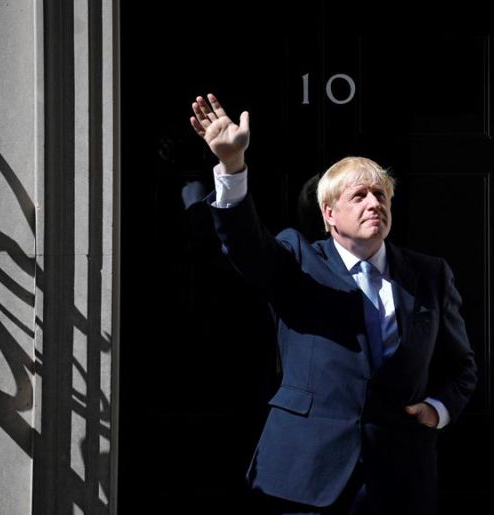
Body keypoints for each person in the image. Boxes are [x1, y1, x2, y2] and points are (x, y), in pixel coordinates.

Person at [190, 93, 478, 515]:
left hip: (398, 478)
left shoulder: (429, 274)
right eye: (359, 195)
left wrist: (437, 409)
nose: (374, 203)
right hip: (305, 474)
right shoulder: (299, 257)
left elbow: (461, 366)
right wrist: (233, 167)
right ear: (329, 213)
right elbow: (248, 249)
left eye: (381, 195)